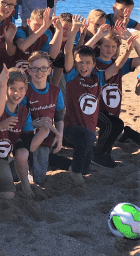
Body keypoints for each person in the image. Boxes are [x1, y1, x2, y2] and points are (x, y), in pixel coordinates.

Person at [62, 15, 137, 186]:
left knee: (86, 165)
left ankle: (63, 163)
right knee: (84, 146)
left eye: (88, 63)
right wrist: (74, 29)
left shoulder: (98, 79)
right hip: (71, 130)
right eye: (80, 63)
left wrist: (127, 49)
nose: (84, 66)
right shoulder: (72, 76)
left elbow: (117, 66)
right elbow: (68, 51)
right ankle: (74, 172)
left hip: (88, 134)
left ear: (93, 64)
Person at [0, 68, 41, 198]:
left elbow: (28, 145)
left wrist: (44, 129)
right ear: (4, 88)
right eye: (12, 88)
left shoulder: (24, 112)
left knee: (8, 195)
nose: (17, 93)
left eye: (21, 89)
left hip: (0, 159)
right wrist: (1, 126)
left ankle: (17, 184)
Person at [86, 30, 140, 167]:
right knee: (113, 125)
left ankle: (102, 154)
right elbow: (80, 52)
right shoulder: (92, 64)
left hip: (112, 108)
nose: (110, 49)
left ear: (117, 48)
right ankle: (98, 155)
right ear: (99, 46)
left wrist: (131, 40)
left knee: (111, 129)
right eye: (106, 46)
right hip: (95, 109)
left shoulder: (121, 63)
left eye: (113, 47)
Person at [23, 51, 66, 186]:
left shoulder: (55, 91)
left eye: (43, 68)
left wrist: (59, 137)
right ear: (29, 71)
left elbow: (59, 117)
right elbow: (20, 120)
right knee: (29, 176)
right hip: (27, 138)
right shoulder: (25, 91)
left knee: (39, 179)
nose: (39, 72)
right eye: (35, 68)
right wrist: (37, 124)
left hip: (46, 139)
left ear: (49, 70)